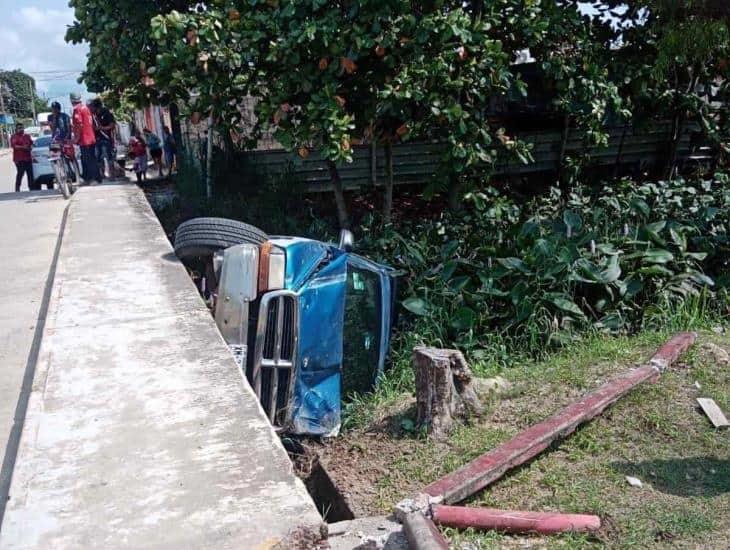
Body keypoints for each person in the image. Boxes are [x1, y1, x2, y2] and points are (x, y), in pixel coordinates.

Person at [70, 92, 101, 184]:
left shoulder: (77, 109)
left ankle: (93, 179)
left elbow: (79, 124)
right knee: (90, 159)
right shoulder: (86, 108)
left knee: (88, 160)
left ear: (71, 100)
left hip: (84, 139)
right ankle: (92, 178)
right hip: (90, 137)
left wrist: (76, 138)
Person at [90, 98, 117, 179]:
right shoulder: (93, 115)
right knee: (98, 157)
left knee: (109, 156)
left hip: (106, 138)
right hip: (97, 139)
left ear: (98, 107)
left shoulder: (107, 113)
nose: (92, 109)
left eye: (93, 107)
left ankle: (112, 174)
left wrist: (101, 128)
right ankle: (102, 174)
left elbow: (112, 125)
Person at [10, 123, 34, 192]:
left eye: (22, 127)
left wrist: (31, 147)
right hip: (19, 159)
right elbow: (14, 146)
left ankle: (31, 188)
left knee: (30, 174)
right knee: (20, 173)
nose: (21, 129)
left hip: (28, 158)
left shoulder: (27, 136)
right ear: (16, 129)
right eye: (19, 128)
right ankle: (17, 188)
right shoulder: (14, 136)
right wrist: (23, 147)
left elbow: (31, 143)